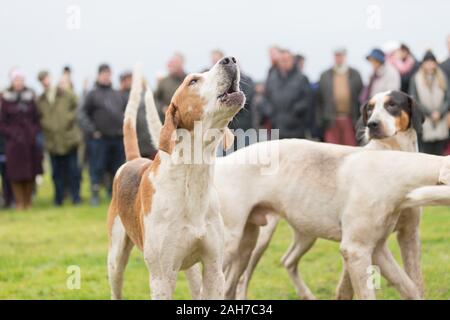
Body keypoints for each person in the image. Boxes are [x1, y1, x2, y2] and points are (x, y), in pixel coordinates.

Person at [79, 64, 126, 206]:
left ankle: (115, 196)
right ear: (98, 75)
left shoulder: (117, 94)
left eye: (108, 74)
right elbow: (81, 114)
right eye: (104, 74)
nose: (106, 77)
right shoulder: (92, 94)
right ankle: (95, 195)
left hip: (117, 138)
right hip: (99, 139)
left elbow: (125, 112)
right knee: (97, 168)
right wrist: (92, 131)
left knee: (117, 168)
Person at [36, 71, 82, 206]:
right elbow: (39, 117)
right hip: (52, 141)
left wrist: (69, 118)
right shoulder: (40, 100)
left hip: (69, 138)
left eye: (46, 78)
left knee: (74, 171)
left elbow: (78, 107)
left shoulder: (66, 94)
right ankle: (58, 199)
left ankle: (76, 198)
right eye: (42, 80)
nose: (45, 82)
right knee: (56, 174)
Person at [0, 69, 43, 210]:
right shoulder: (5, 99)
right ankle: (19, 203)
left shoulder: (30, 97)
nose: (18, 83)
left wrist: (32, 132)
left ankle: (28, 201)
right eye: (16, 80)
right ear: (12, 82)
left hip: (29, 143)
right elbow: (2, 122)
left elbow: (37, 119)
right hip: (13, 144)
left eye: (21, 80)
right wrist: (13, 134)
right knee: (15, 174)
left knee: (30, 173)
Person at [317, 48, 363, 146]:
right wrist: (321, 120)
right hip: (331, 119)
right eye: (337, 56)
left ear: (345, 57)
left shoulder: (355, 74)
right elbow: (319, 99)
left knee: (350, 148)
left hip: (350, 119)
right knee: (332, 149)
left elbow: (361, 95)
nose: (339, 58)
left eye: (341, 56)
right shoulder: (325, 75)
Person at [264, 49, 313, 139]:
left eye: (287, 60)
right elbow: (266, 99)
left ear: (293, 61)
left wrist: (293, 114)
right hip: (276, 127)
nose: (284, 63)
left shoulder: (301, 78)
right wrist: (272, 115)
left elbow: (307, 100)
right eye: (282, 60)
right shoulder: (272, 79)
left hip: (296, 128)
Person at [410, 51, 450, 155]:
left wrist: (440, 113)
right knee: (427, 152)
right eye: (427, 62)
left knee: (440, 151)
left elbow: (447, 97)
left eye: (432, 62)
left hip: (441, 120)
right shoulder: (416, 78)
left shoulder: (442, 76)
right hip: (425, 120)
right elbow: (414, 99)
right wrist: (429, 113)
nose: (430, 65)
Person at [119, 71, 157, 159]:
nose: (129, 82)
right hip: (133, 136)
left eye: (130, 79)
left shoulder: (146, 95)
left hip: (147, 136)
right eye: (126, 80)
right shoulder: (120, 96)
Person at [154, 53, 186, 120]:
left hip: (186, 119)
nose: (174, 64)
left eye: (176, 62)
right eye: (173, 62)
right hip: (168, 120)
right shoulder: (164, 82)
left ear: (182, 63)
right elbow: (155, 99)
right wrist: (162, 108)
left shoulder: (188, 80)